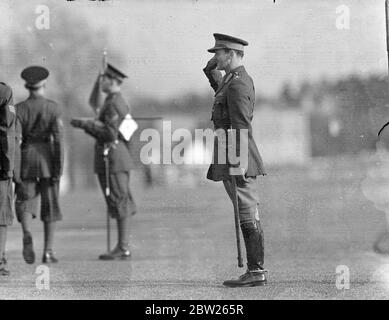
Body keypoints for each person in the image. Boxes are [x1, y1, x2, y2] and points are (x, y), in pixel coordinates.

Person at [203, 33, 267, 287]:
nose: (214, 56)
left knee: (247, 210)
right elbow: (222, 92)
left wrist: (237, 161)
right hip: (230, 153)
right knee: (245, 210)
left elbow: (241, 126)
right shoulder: (231, 79)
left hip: (237, 155)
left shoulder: (239, 83)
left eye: (218, 53)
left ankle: (256, 271)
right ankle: (255, 270)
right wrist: (210, 73)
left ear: (230, 54)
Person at [70, 63, 136, 260]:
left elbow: (110, 133)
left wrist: (86, 125)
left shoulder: (114, 103)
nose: (101, 82)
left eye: (105, 79)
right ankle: (121, 246)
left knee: (119, 199)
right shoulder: (112, 101)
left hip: (113, 157)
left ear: (114, 81)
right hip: (114, 156)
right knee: (118, 199)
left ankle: (123, 247)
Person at [14, 66, 64, 264]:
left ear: (27, 86)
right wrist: (58, 168)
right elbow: (59, 141)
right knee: (50, 204)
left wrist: (16, 169)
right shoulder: (54, 108)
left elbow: (15, 140)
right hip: (47, 160)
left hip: (26, 158)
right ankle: (48, 251)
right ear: (44, 84)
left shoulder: (18, 109)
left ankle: (27, 232)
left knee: (25, 200)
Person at [0, 82, 17, 276]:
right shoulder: (3, 91)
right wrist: (8, 165)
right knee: (1, 211)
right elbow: (6, 130)